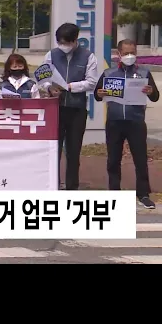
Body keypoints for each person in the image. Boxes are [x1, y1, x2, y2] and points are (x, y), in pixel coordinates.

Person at [94, 39, 159, 209]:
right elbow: (97, 95)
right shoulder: (109, 73)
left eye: (133, 53)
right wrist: (100, 93)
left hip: (136, 121)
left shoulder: (144, 72)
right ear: (119, 54)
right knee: (113, 159)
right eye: (126, 53)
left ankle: (143, 194)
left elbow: (155, 97)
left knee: (140, 159)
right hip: (114, 122)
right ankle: (114, 192)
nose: (130, 56)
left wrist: (151, 91)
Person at [42, 22, 99, 190]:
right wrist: (49, 88)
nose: (63, 46)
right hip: (56, 109)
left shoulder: (88, 56)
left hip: (77, 110)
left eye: (67, 43)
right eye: (60, 42)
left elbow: (92, 82)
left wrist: (70, 87)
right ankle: (53, 185)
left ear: (75, 40)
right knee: (54, 149)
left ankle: (72, 187)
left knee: (73, 152)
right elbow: (43, 78)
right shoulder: (51, 55)